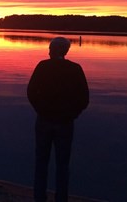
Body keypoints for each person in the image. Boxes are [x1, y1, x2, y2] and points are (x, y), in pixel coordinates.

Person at [27, 37, 89, 202]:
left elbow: (31, 92)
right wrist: (72, 114)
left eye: (49, 48)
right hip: (65, 123)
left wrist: (41, 110)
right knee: (62, 165)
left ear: (53, 50)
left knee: (41, 162)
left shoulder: (43, 66)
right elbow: (84, 98)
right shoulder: (75, 69)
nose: (48, 51)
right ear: (66, 51)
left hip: (45, 121)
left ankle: (39, 198)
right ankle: (61, 199)